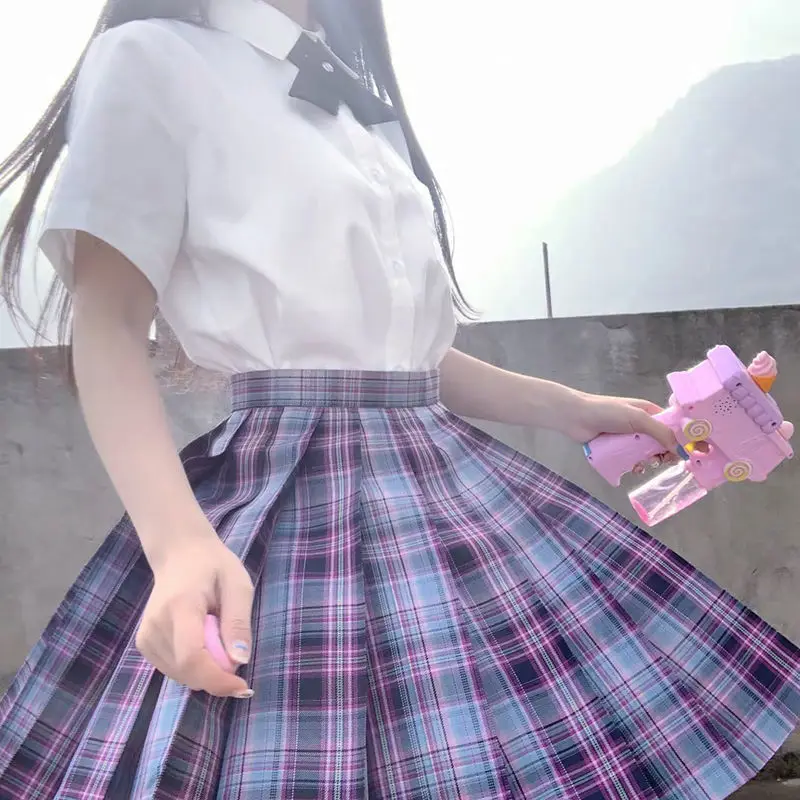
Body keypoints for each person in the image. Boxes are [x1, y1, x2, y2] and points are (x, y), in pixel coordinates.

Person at [0, 0, 797, 797]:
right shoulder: (151, 58)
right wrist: (176, 545)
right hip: (295, 494)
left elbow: (398, 352)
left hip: (442, 480)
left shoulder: (354, 94)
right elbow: (108, 323)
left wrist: (570, 407)